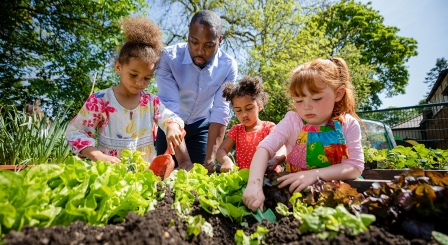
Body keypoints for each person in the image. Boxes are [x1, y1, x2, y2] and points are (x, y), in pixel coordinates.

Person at [243, 57, 365, 211]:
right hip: (298, 197)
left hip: (339, 197)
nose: (307, 107)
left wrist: (314, 175)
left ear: (338, 94)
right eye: (299, 100)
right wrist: (254, 184)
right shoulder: (292, 122)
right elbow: (264, 148)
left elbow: (354, 167)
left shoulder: (347, 125)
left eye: (316, 98)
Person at [65, 16, 185, 164]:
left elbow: (169, 117)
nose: (139, 82)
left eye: (147, 78)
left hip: (144, 176)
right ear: (118, 67)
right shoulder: (100, 100)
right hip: (109, 176)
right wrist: (98, 156)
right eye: (133, 74)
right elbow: (75, 132)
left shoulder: (151, 102)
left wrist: (171, 125)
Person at [155, 10, 238, 171]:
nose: (200, 51)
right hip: (170, 125)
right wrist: (184, 161)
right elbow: (170, 106)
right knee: (164, 177)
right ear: (188, 34)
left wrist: (211, 160)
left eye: (209, 45)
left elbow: (220, 110)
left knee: (203, 173)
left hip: (201, 126)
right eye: (194, 42)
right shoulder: (168, 58)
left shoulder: (228, 65)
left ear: (220, 41)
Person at [214, 76, 286, 173]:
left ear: (259, 106)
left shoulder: (269, 127)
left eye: (249, 108)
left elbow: (283, 148)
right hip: (245, 181)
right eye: (238, 110)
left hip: (269, 178)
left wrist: (275, 160)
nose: (244, 114)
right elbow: (221, 151)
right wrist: (226, 161)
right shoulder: (236, 130)